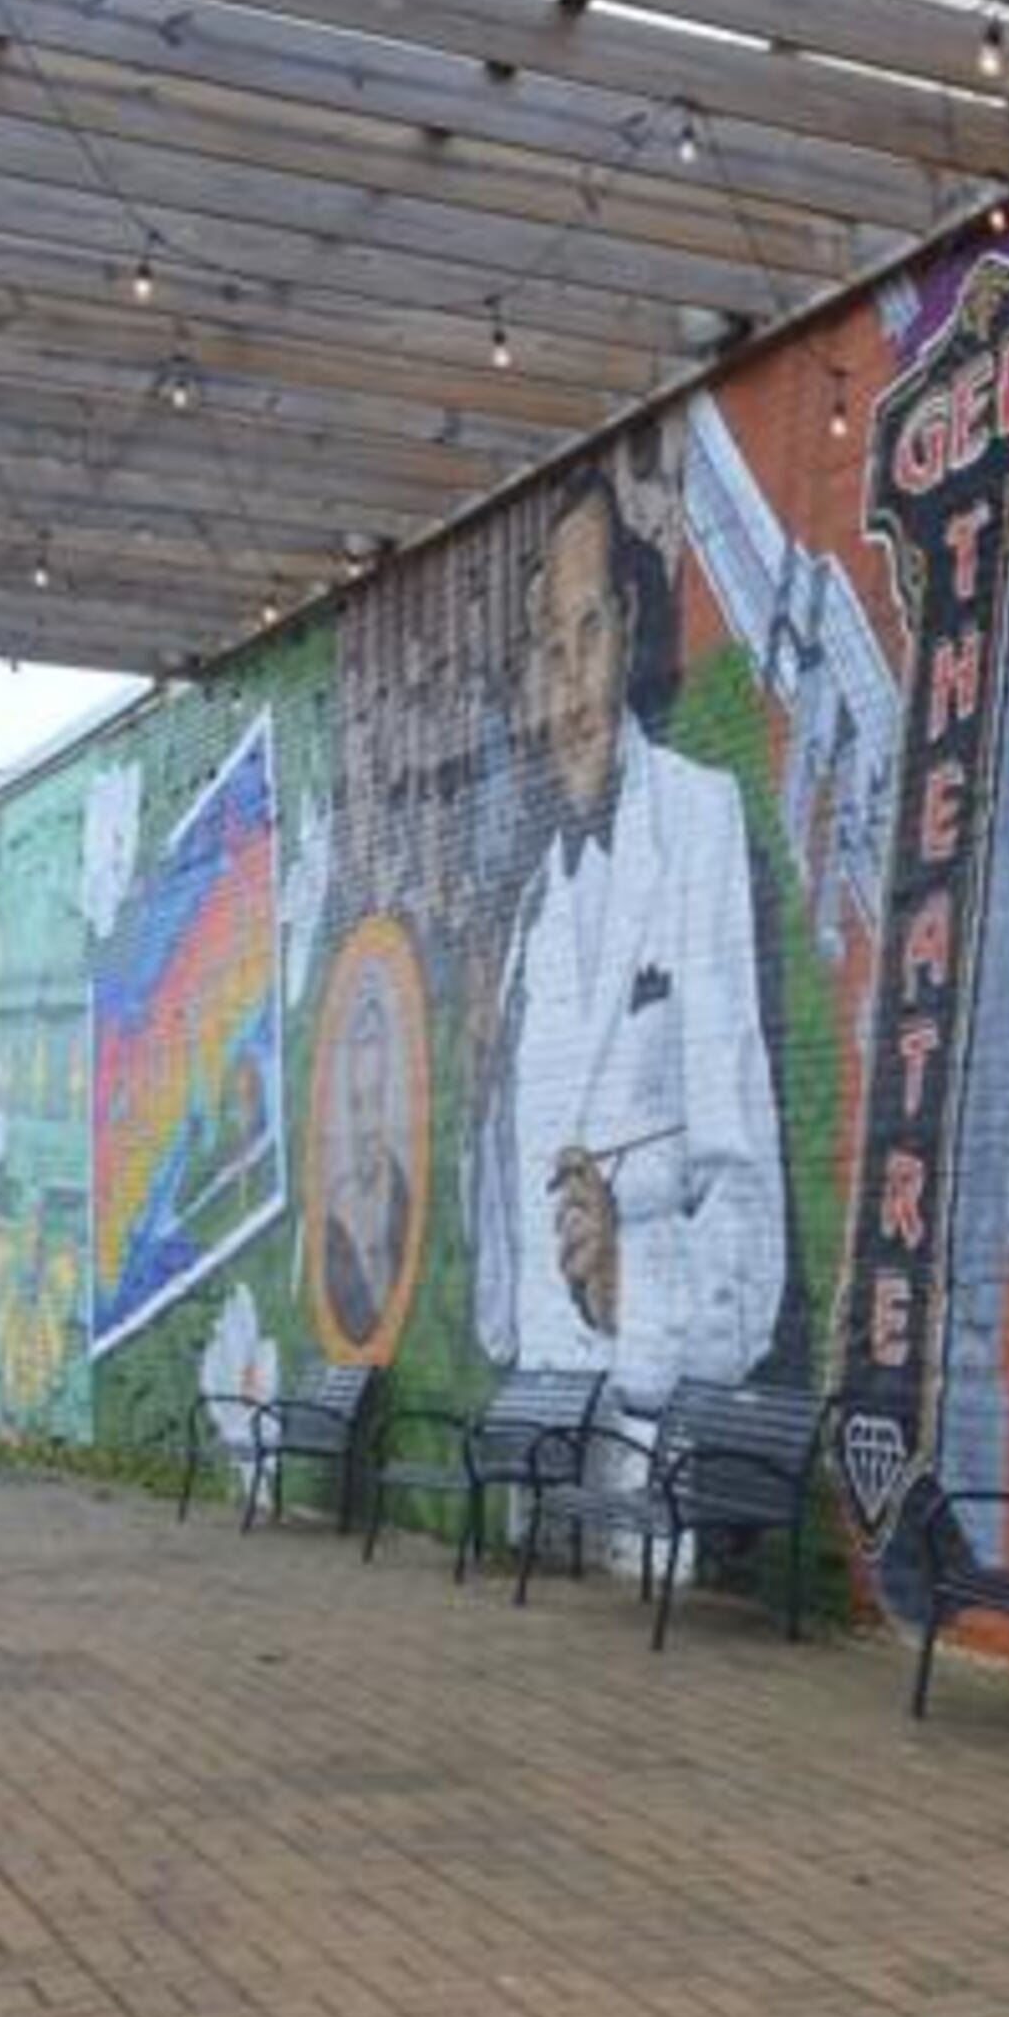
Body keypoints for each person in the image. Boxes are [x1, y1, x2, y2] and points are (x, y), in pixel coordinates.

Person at [468, 468, 787, 1403]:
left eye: (590, 635)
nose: (570, 691)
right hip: (543, 1424)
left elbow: (749, 1222)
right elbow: (501, 1293)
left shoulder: (699, 822)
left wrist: (627, 1283)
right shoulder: (530, 912)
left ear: (634, 627)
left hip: (657, 1439)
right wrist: (481, 1107)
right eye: (549, 652)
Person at [315, 978, 413, 1348]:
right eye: (357, 1104)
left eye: (377, 1100)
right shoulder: (336, 1218)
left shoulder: (403, 1199)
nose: (367, 1125)